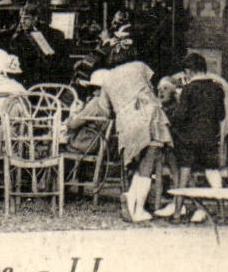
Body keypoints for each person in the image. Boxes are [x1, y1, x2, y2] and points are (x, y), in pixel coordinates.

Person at [67, 59, 173, 223]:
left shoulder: (109, 79)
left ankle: (132, 201)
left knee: (140, 164)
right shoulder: (140, 66)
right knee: (148, 164)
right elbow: (153, 85)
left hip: (126, 122)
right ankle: (136, 206)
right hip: (149, 115)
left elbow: (105, 109)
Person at [155, 53, 225, 223]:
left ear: (189, 71)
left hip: (189, 141)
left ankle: (178, 213)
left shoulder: (188, 89)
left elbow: (179, 117)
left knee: (184, 170)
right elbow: (221, 114)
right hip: (209, 139)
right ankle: (222, 211)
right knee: (212, 172)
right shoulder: (217, 88)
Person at [8, 1, 73, 86]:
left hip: (45, 79)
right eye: (21, 18)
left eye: (26, 18)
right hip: (30, 78)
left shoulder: (54, 34)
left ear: (35, 19)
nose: (22, 21)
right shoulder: (20, 35)